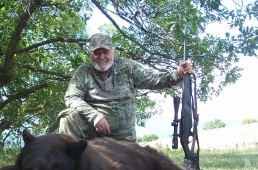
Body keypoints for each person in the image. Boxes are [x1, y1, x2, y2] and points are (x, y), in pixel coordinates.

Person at [58, 33, 193, 142]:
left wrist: (177, 74)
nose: (101, 57)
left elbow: (154, 79)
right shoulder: (83, 72)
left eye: (105, 51)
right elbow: (72, 97)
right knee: (68, 117)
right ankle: (70, 165)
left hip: (123, 139)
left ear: (113, 51)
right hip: (93, 133)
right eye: (96, 53)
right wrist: (95, 116)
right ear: (90, 54)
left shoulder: (128, 67)